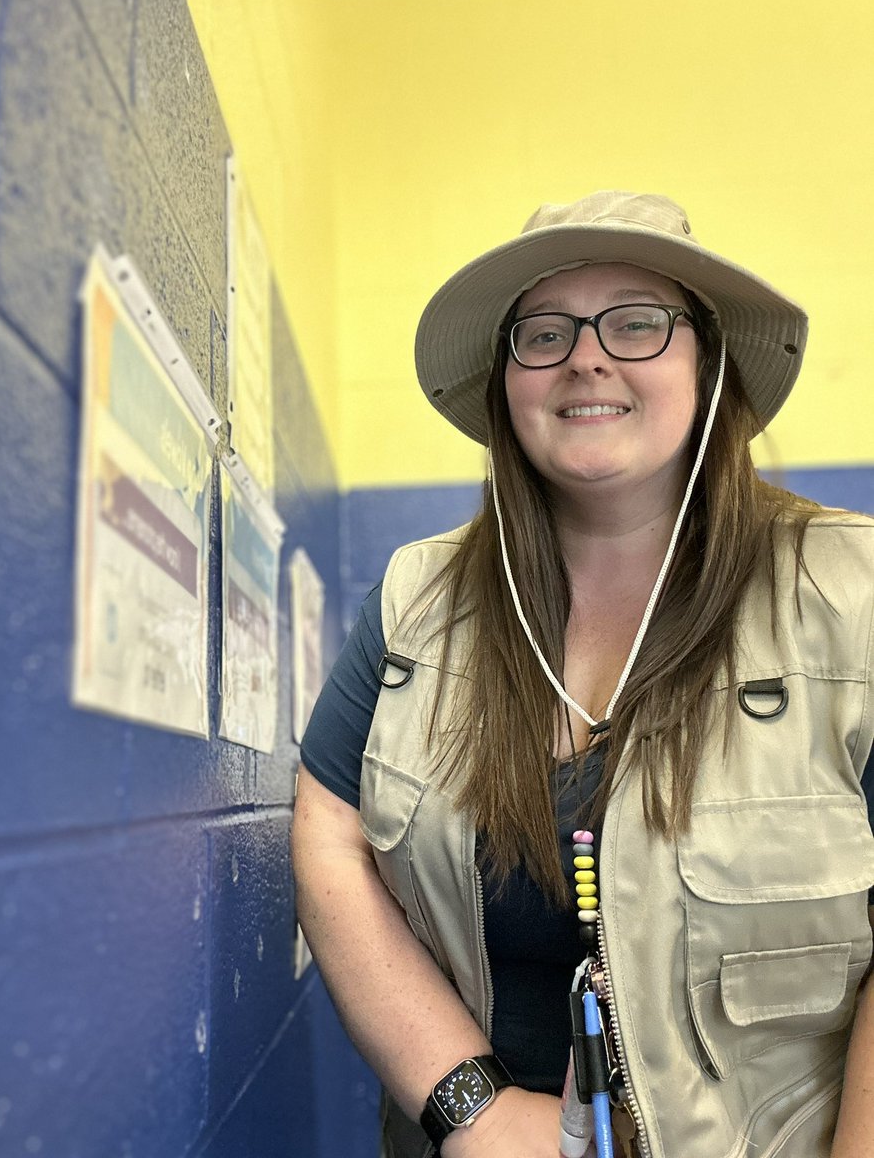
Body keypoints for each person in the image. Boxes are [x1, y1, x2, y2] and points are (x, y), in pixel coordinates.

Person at [291, 191, 874, 1158]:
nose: (587, 356)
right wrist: (469, 1108)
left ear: (710, 362)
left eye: (639, 322)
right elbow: (327, 829)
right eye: (545, 331)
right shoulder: (415, 600)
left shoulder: (850, 595)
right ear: (506, 381)